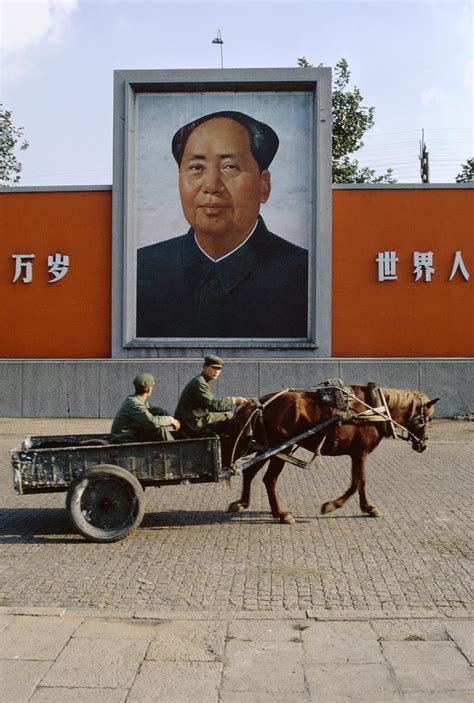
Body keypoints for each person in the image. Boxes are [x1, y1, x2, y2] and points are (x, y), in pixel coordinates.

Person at [137, 110, 308, 339]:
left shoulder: (304, 274)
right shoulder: (141, 269)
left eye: (230, 167)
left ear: (264, 185)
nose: (211, 185)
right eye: (197, 167)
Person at [175, 355, 247, 436]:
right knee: (229, 416)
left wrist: (228, 401)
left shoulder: (203, 380)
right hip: (191, 422)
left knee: (227, 414)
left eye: (219, 369)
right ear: (204, 367)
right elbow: (212, 404)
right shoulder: (199, 382)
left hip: (193, 419)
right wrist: (234, 401)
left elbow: (209, 404)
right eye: (214, 368)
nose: (216, 371)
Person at [111, 373, 180, 443]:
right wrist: (171, 420)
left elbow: (154, 409)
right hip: (123, 438)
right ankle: (175, 450)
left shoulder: (135, 400)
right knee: (160, 429)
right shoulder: (134, 404)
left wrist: (168, 416)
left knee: (159, 424)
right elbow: (152, 421)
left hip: (129, 435)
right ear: (149, 390)